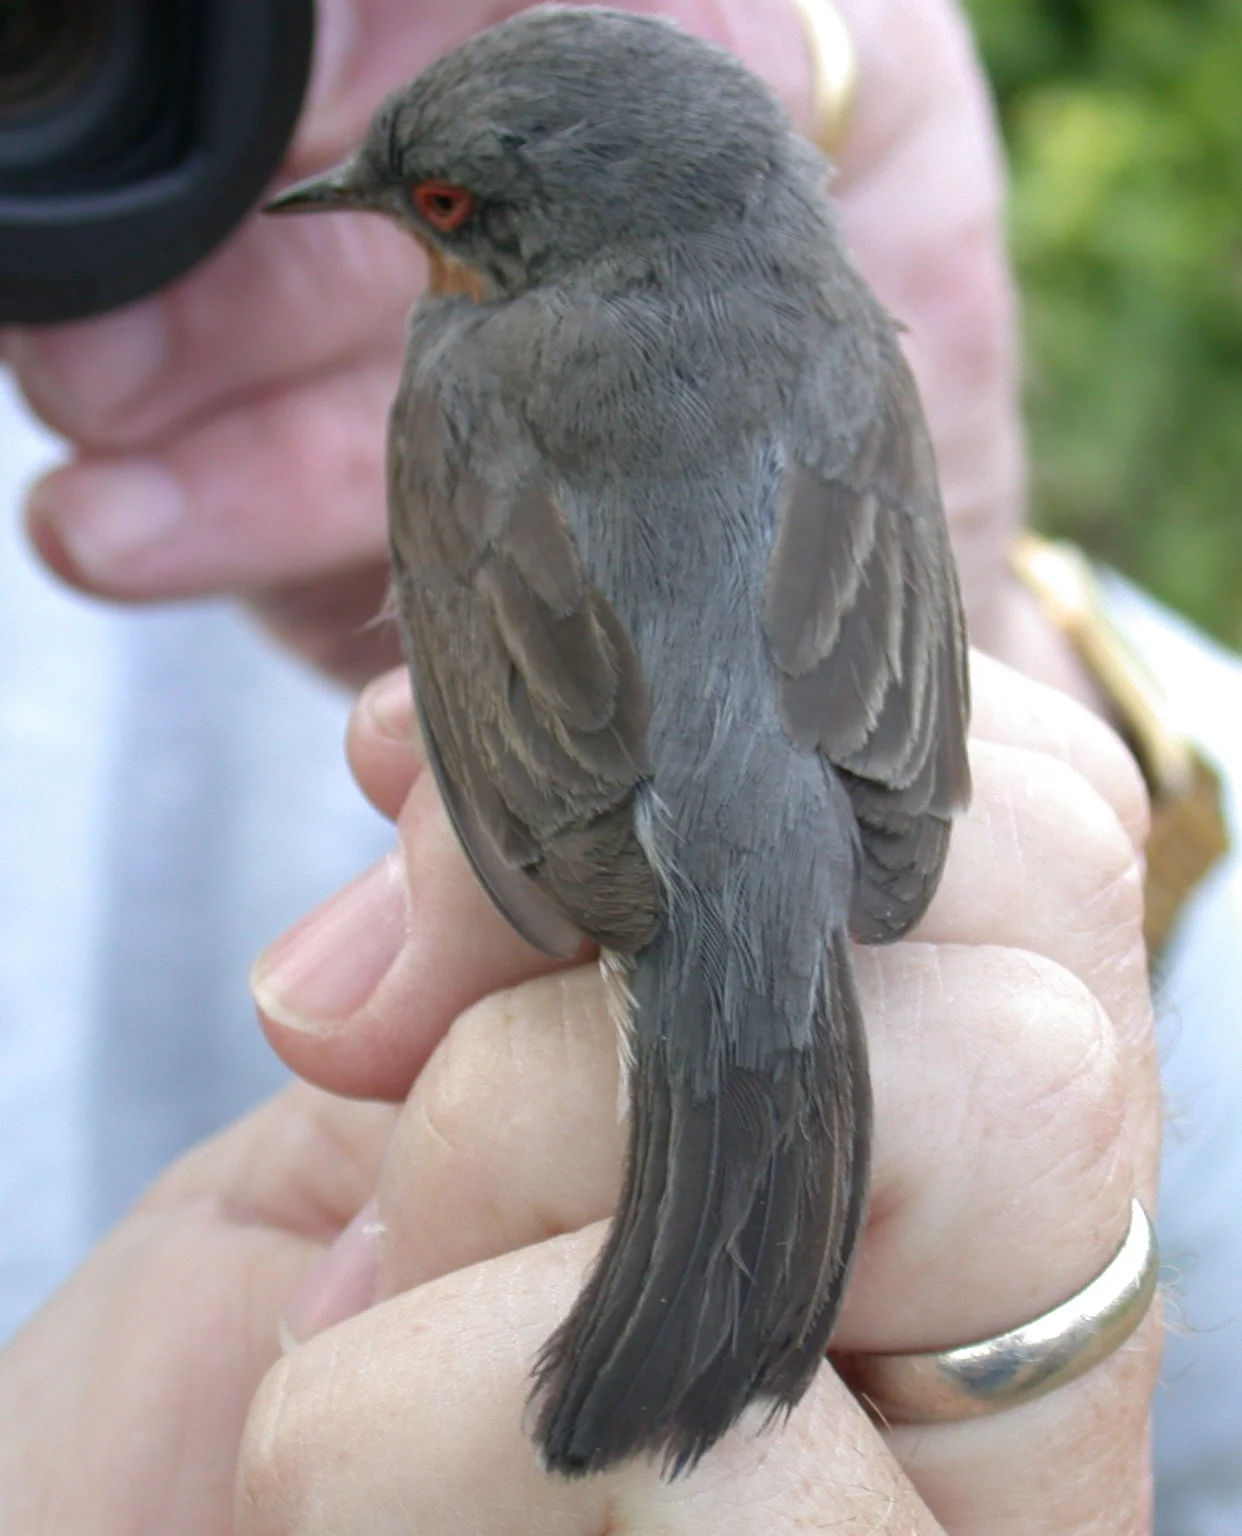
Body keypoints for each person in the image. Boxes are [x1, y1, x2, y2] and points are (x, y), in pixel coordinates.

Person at [0, 0, 1212, 1526]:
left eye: (437, 204)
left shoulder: (463, 373)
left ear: (518, 232)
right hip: (813, 762)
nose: (376, 213)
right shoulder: (831, 316)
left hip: (655, 795)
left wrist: (1066, 740)